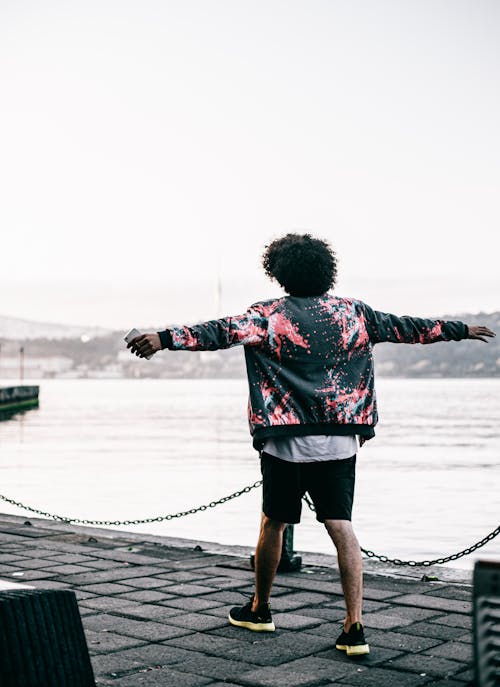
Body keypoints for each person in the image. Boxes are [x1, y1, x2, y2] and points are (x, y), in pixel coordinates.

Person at [127, 233, 495, 657]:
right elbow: (411, 328)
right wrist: (460, 330)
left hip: (286, 442)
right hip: (341, 440)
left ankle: (260, 609)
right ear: (327, 270)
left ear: (278, 273)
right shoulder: (355, 314)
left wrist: (162, 338)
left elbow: (218, 332)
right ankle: (354, 627)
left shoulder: (267, 316)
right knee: (342, 527)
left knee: (273, 523)